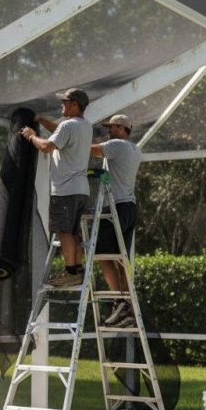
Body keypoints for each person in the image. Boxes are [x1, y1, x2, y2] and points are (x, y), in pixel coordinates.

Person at [20, 87, 93, 287]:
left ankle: (70, 273)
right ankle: (76, 270)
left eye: (65, 101)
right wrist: (43, 121)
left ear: (75, 104)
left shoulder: (67, 126)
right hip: (81, 190)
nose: (62, 104)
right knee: (75, 233)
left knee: (64, 232)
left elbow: (46, 147)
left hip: (64, 190)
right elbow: (61, 135)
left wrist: (31, 136)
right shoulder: (85, 126)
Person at [90, 113, 141, 326]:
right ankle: (127, 307)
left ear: (121, 128)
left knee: (101, 254)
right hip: (129, 207)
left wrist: (73, 139)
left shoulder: (117, 145)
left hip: (116, 209)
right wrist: (93, 173)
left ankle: (119, 300)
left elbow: (91, 150)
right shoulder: (135, 150)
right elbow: (114, 175)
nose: (108, 131)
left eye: (111, 127)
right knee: (121, 258)